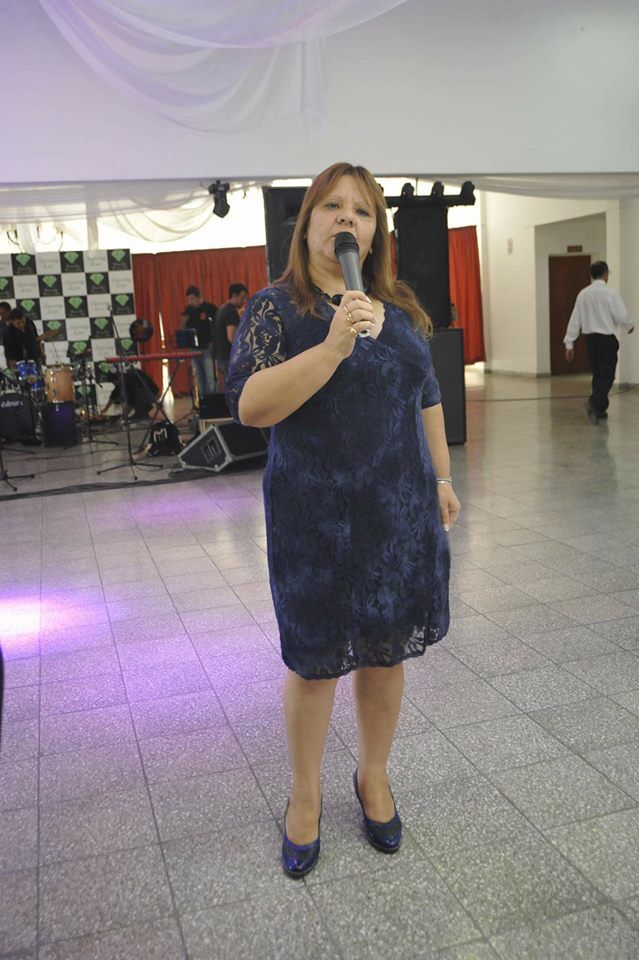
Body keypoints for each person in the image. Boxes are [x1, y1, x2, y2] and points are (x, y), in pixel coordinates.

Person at [225, 161, 460, 878]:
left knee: (385, 654)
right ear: (307, 226)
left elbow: (425, 394)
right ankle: (304, 795)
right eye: (331, 207)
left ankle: (373, 776)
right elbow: (250, 406)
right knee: (315, 661)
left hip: (397, 514)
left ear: (376, 231)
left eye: (360, 210)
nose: (346, 219)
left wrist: (442, 478)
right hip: (314, 520)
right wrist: (332, 347)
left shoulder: (400, 310)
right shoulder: (276, 309)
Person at [564, 260, 634, 424]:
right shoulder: (610, 293)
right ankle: (594, 403)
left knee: (598, 373)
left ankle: (600, 410)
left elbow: (575, 320)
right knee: (607, 375)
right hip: (606, 340)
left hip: (590, 340)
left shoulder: (583, 294)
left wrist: (569, 343)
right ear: (605, 274)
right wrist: (629, 325)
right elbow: (621, 315)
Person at [183, 286, 217, 396]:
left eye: (192, 298)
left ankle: (213, 398)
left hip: (207, 347)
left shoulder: (210, 308)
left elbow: (217, 326)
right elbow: (183, 327)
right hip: (194, 349)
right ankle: (203, 399)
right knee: (199, 376)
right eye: (188, 299)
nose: (190, 301)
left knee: (209, 375)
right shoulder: (188, 310)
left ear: (199, 297)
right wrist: (185, 319)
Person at [214, 283, 248, 386]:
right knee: (235, 386)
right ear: (234, 295)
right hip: (229, 356)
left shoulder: (222, 309)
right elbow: (231, 337)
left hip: (221, 355)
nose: (244, 301)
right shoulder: (231, 312)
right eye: (242, 298)